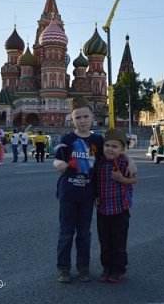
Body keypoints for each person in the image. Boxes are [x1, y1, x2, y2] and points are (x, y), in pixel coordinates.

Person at [53, 97, 104, 283]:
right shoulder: (68, 139)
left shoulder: (97, 140)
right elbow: (57, 158)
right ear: (72, 119)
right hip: (68, 193)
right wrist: (58, 162)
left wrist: (130, 163)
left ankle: (83, 268)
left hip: (87, 194)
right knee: (66, 232)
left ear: (92, 117)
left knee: (84, 233)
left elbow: (102, 164)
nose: (82, 120)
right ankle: (63, 269)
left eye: (85, 116)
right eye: (78, 117)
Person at [95, 129, 137, 283]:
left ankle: (119, 269)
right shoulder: (99, 161)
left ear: (122, 149)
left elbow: (134, 181)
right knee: (104, 242)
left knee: (119, 242)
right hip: (103, 209)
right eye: (107, 145)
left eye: (114, 146)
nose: (110, 149)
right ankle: (107, 268)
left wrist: (121, 179)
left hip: (120, 209)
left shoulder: (124, 163)